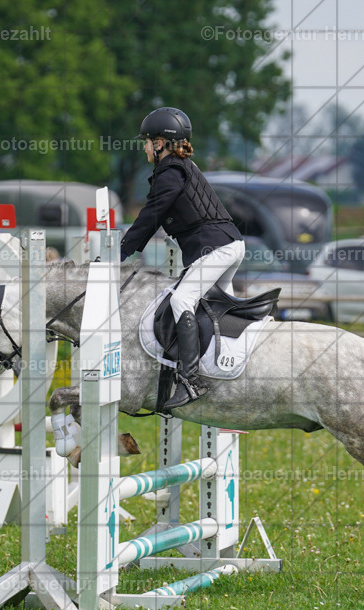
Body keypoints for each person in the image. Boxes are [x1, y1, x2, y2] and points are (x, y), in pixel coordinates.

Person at [120, 107, 245, 410]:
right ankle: (227, 366)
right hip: (229, 245)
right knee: (217, 307)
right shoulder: (181, 167)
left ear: (161, 142)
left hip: (215, 248)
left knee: (180, 300)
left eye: (148, 141)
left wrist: (120, 251)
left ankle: (190, 380)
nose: (145, 147)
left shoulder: (171, 172)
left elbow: (152, 214)